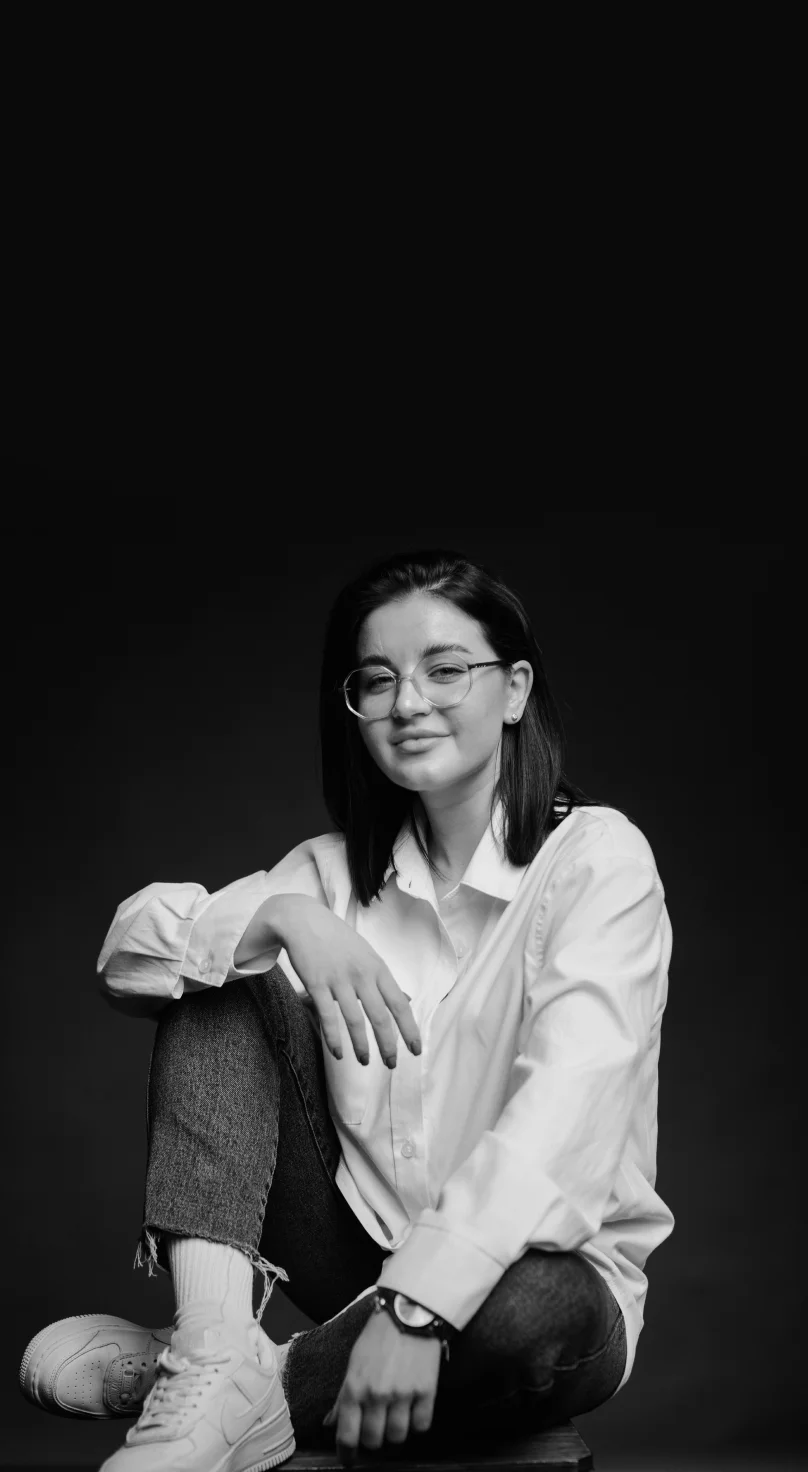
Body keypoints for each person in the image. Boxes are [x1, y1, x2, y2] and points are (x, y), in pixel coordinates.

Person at [19, 547, 675, 1472]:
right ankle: (210, 1348)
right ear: (355, 707)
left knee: (535, 1309)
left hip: (542, 1281)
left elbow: (565, 1119)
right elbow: (127, 958)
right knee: (219, 965)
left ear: (515, 689)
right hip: (348, 1248)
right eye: (378, 680)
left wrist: (417, 1307)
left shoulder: (599, 861)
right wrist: (281, 918)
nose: (409, 703)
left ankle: (207, 1387)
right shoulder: (328, 875)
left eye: (446, 670)